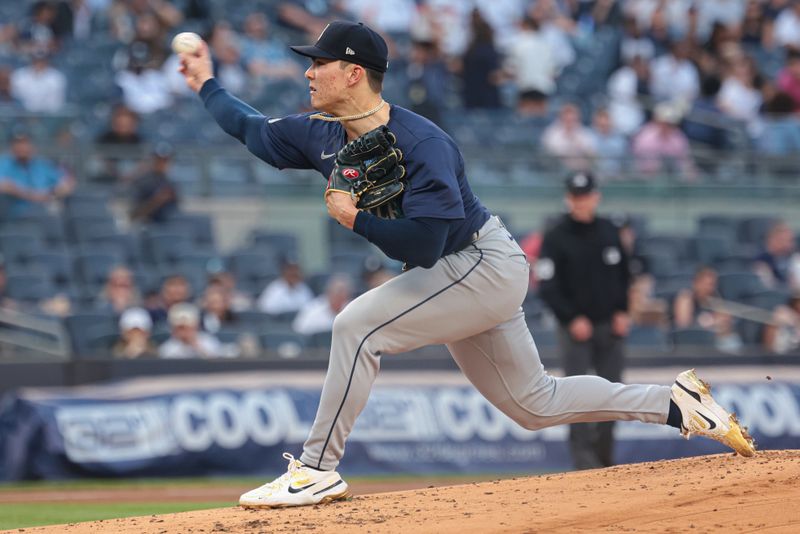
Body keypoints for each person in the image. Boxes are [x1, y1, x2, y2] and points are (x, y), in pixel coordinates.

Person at [177, 20, 755, 509]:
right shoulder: (320, 135)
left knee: (355, 328)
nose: (307, 72)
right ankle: (675, 403)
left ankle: (316, 467)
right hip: (456, 274)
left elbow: (425, 247)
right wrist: (204, 80)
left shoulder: (422, 143)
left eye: (319, 63)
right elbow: (249, 127)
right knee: (535, 404)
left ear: (353, 73)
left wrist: (356, 220)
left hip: (479, 261)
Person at [536, 172, 631, 469]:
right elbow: (547, 285)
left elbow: (625, 276)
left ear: (596, 197)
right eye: (576, 197)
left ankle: (605, 460)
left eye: (585, 196)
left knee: (612, 395)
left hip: (609, 327)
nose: (581, 202)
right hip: (574, 330)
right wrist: (571, 318)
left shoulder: (609, 231)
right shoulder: (555, 237)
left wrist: (622, 311)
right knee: (577, 398)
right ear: (569, 199)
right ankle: (584, 466)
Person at [0, 129, 75, 219]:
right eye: (18, 143)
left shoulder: (42, 164)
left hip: (43, 215)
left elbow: (67, 183)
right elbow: (4, 186)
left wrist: (53, 193)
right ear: (12, 146)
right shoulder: (4, 163)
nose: (21, 147)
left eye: (25, 142)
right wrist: (34, 196)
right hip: (14, 218)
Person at [128, 142, 180, 224]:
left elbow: (176, 210)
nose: (163, 164)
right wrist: (156, 200)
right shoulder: (142, 182)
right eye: (159, 160)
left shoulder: (172, 183)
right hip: (148, 228)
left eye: (166, 160)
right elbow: (133, 215)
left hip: (170, 227)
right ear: (153, 160)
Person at [158, 302, 230, 359]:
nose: (184, 331)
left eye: (187, 327)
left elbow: (217, 362)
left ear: (196, 326)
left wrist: (196, 346)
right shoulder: (167, 348)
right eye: (180, 328)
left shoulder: (208, 341)